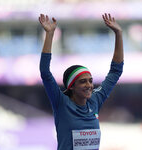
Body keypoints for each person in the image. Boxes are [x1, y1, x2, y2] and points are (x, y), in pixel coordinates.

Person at [39, 13, 124, 150]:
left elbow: (116, 71)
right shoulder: (61, 103)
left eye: (90, 81)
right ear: (71, 86)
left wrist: (119, 33)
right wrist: (49, 34)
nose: (89, 85)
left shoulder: (95, 100)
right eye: (83, 82)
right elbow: (45, 73)